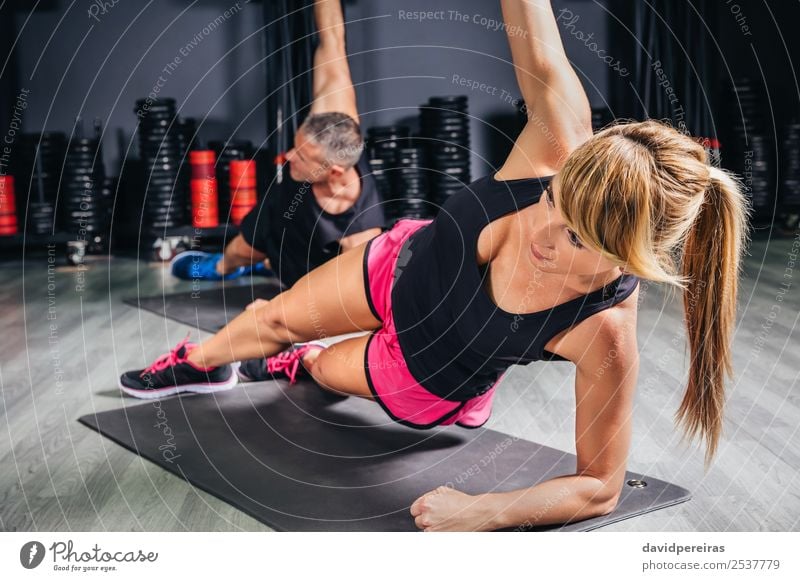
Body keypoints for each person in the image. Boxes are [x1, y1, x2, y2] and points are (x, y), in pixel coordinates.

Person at [120, 0, 751, 531]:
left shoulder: (605, 332)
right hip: (402, 262)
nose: (544, 235)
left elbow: (599, 486)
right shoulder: (557, 140)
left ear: (627, 258)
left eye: (578, 241)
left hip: (423, 374)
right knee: (276, 316)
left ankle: (379, 379)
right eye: (554, 200)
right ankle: (199, 365)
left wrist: (486, 511)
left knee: (316, 367)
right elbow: (533, 28)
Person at [171, 0, 385, 287]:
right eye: (296, 146)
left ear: (334, 170)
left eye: (303, 157)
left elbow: (352, 301)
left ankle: (270, 266)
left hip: (311, 266)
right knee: (234, 254)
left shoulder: (361, 232)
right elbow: (332, 39)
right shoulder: (335, 117)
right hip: (277, 209)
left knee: (299, 284)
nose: (288, 156)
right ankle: (225, 267)